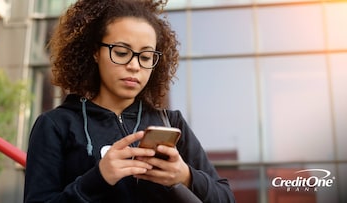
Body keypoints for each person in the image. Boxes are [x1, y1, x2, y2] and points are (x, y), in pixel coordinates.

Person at [24, 0, 235, 202]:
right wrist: (98, 178)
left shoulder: (172, 122)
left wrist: (185, 176)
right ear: (95, 52)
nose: (134, 66)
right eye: (122, 52)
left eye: (145, 57)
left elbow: (225, 197)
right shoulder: (56, 125)